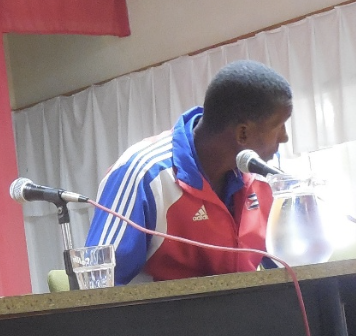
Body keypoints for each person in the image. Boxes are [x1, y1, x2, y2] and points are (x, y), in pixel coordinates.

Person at [85, 59, 291, 284]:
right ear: (243, 133)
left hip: (244, 304)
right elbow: (97, 286)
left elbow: (290, 270)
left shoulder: (264, 177)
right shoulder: (144, 174)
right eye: (279, 126)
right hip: (165, 307)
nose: (285, 137)